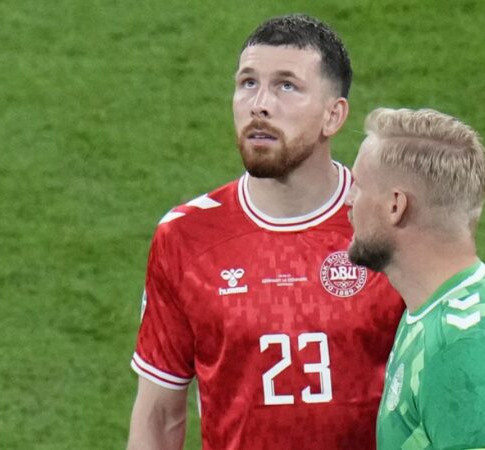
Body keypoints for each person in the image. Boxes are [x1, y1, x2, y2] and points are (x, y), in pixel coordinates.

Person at [127, 14, 403, 450]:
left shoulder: (390, 224)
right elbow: (159, 414)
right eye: (248, 83)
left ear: (333, 115)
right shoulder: (186, 237)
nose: (259, 104)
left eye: (286, 86)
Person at [346, 107, 485, 449]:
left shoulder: (463, 347)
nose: (348, 203)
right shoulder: (430, 310)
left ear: (395, 206)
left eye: (359, 187)